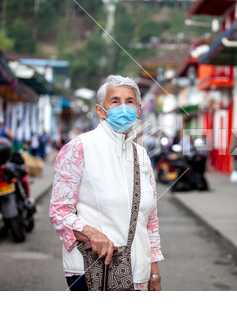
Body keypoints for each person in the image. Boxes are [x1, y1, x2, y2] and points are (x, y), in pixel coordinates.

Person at [49, 75, 163, 291]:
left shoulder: (142, 156)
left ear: (138, 110)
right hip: (94, 271)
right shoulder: (79, 148)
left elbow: (151, 221)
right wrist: (93, 234)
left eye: (130, 101)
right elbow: (59, 211)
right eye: (115, 101)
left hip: (138, 274)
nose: (124, 107)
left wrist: (154, 271)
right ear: (101, 110)